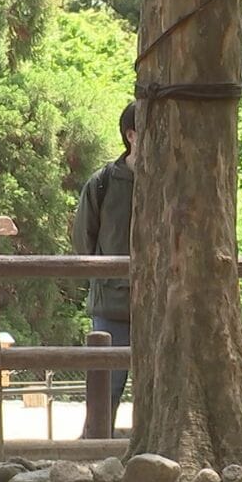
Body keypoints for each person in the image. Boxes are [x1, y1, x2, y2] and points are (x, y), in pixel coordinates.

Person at [72, 101, 137, 436]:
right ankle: (92, 450)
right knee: (106, 389)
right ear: (132, 135)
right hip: (112, 303)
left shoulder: (173, 180)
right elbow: (84, 239)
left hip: (165, 304)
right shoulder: (103, 183)